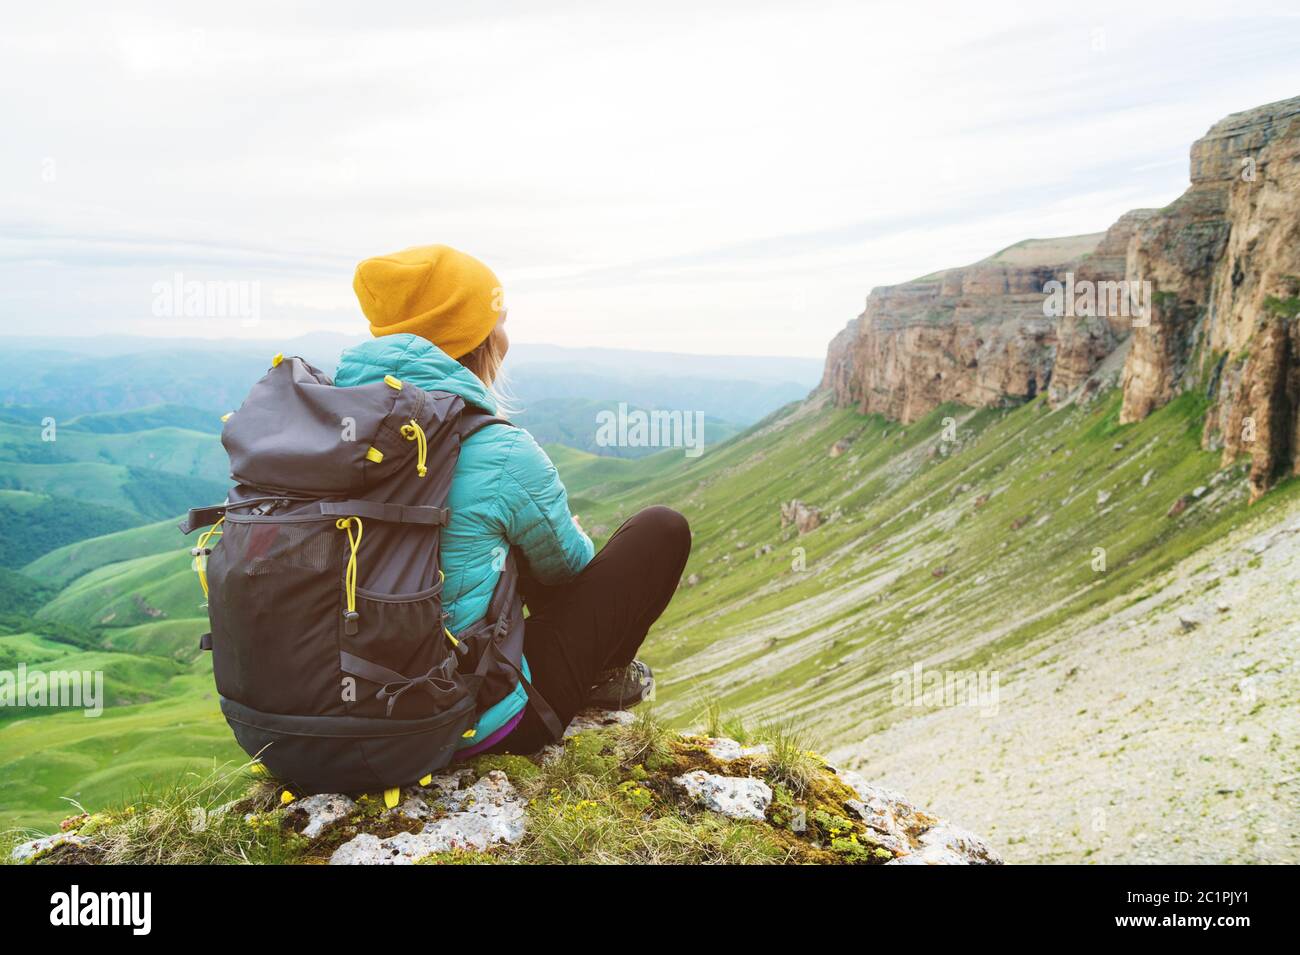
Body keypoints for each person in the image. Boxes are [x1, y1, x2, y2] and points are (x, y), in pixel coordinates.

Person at [335, 244, 691, 756]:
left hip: (327, 711)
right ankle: (602, 680)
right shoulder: (498, 450)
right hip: (460, 718)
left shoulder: (323, 427)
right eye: (498, 319)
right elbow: (568, 571)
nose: (506, 334)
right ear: (476, 338)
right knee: (662, 530)